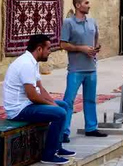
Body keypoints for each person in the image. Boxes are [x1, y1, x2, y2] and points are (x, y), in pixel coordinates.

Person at [3, 34, 76, 165]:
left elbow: (40, 89)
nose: (50, 52)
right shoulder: (26, 64)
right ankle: (48, 155)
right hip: (19, 109)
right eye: (48, 49)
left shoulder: (33, 62)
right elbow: (33, 96)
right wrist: (53, 106)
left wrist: (53, 103)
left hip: (27, 104)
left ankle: (57, 148)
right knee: (59, 113)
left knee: (63, 106)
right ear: (39, 49)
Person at [60, 0, 107, 141]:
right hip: (75, 69)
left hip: (91, 67)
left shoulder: (92, 22)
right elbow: (63, 44)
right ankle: (63, 132)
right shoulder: (68, 23)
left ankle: (91, 128)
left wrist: (95, 48)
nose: (89, 5)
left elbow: (95, 39)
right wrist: (82, 49)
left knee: (90, 99)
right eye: (86, 3)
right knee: (69, 100)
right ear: (78, 5)